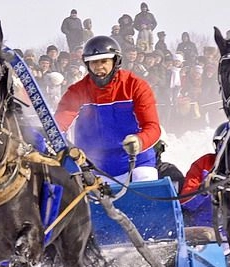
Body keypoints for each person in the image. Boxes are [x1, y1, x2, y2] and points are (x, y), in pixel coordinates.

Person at [55, 35, 162, 182]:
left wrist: (139, 141)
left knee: (146, 187)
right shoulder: (77, 91)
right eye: (93, 62)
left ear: (115, 61)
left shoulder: (136, 86)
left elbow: (153, 127)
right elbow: (59, 124)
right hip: (94, 166)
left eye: (103, 61)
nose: (98, 67)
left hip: (137, 161)